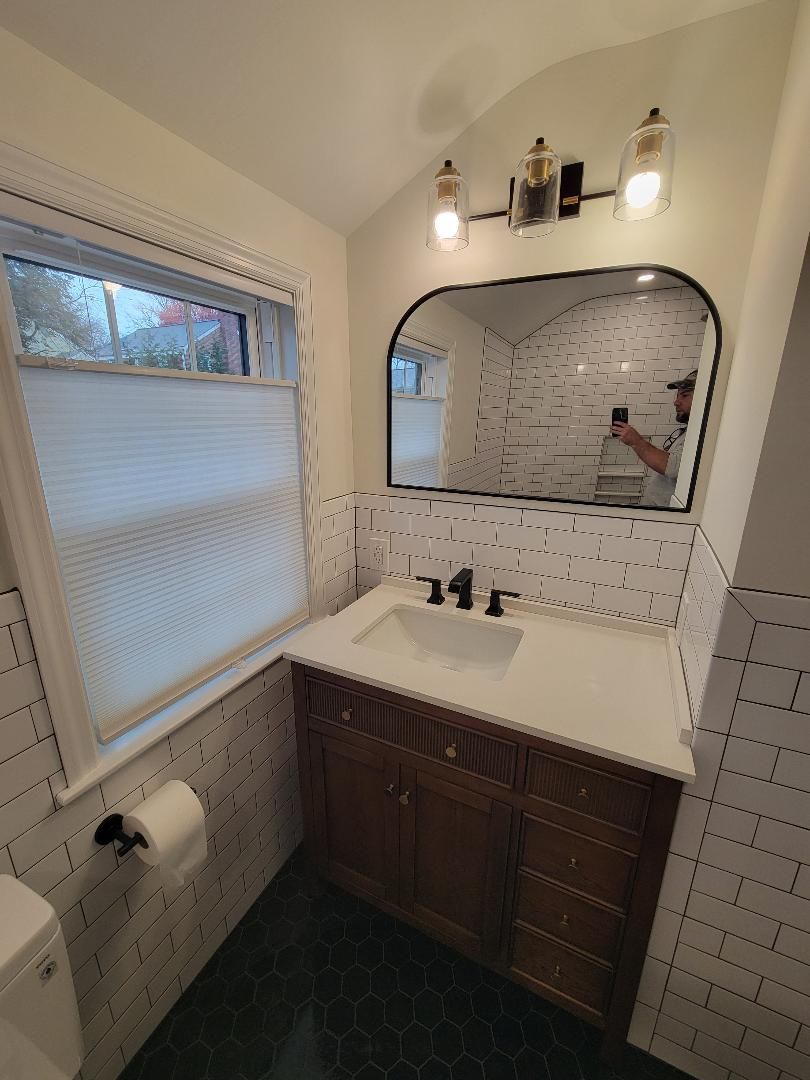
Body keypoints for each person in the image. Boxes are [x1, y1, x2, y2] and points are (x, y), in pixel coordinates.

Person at [611, 370, 697, 507]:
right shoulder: (690, 431)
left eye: (684, 395)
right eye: (677, 396)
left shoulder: (701, 435)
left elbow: (673, 467)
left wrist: (636, 441)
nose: (676, 402)